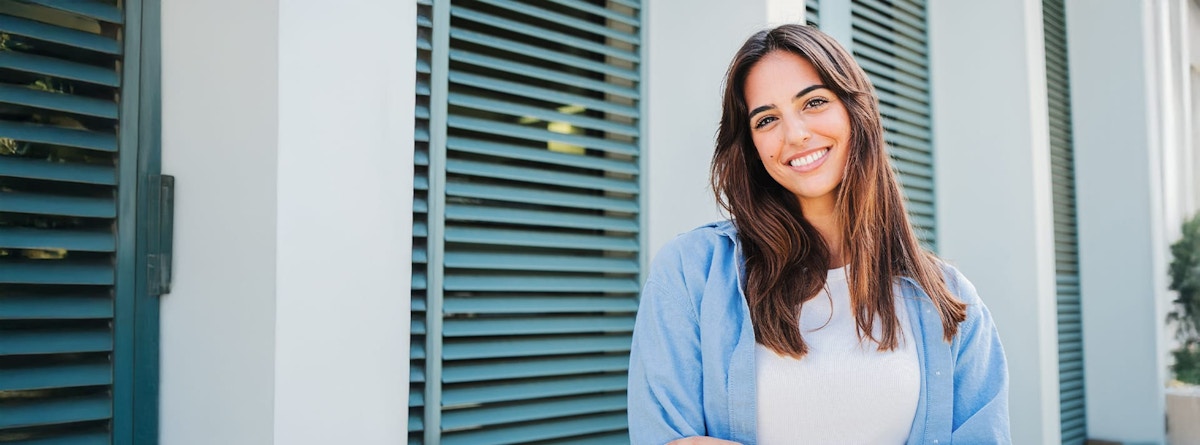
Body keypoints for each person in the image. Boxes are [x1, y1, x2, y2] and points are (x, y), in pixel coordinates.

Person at [627, 24, 1010, 445]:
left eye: (813, 102)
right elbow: (664, 438)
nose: (795, 134)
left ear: (855, 111)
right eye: (767, 119)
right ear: (751, 145)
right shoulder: (690, 273)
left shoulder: (950, 300)